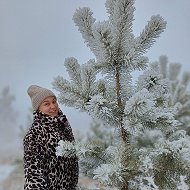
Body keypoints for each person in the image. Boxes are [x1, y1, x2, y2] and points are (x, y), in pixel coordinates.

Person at [23, 85, 79, 190]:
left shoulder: (63, 126)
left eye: (54, 101)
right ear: (38, 109)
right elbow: (33, 175)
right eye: (46, 104)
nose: (53, 106)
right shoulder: (35, 134)